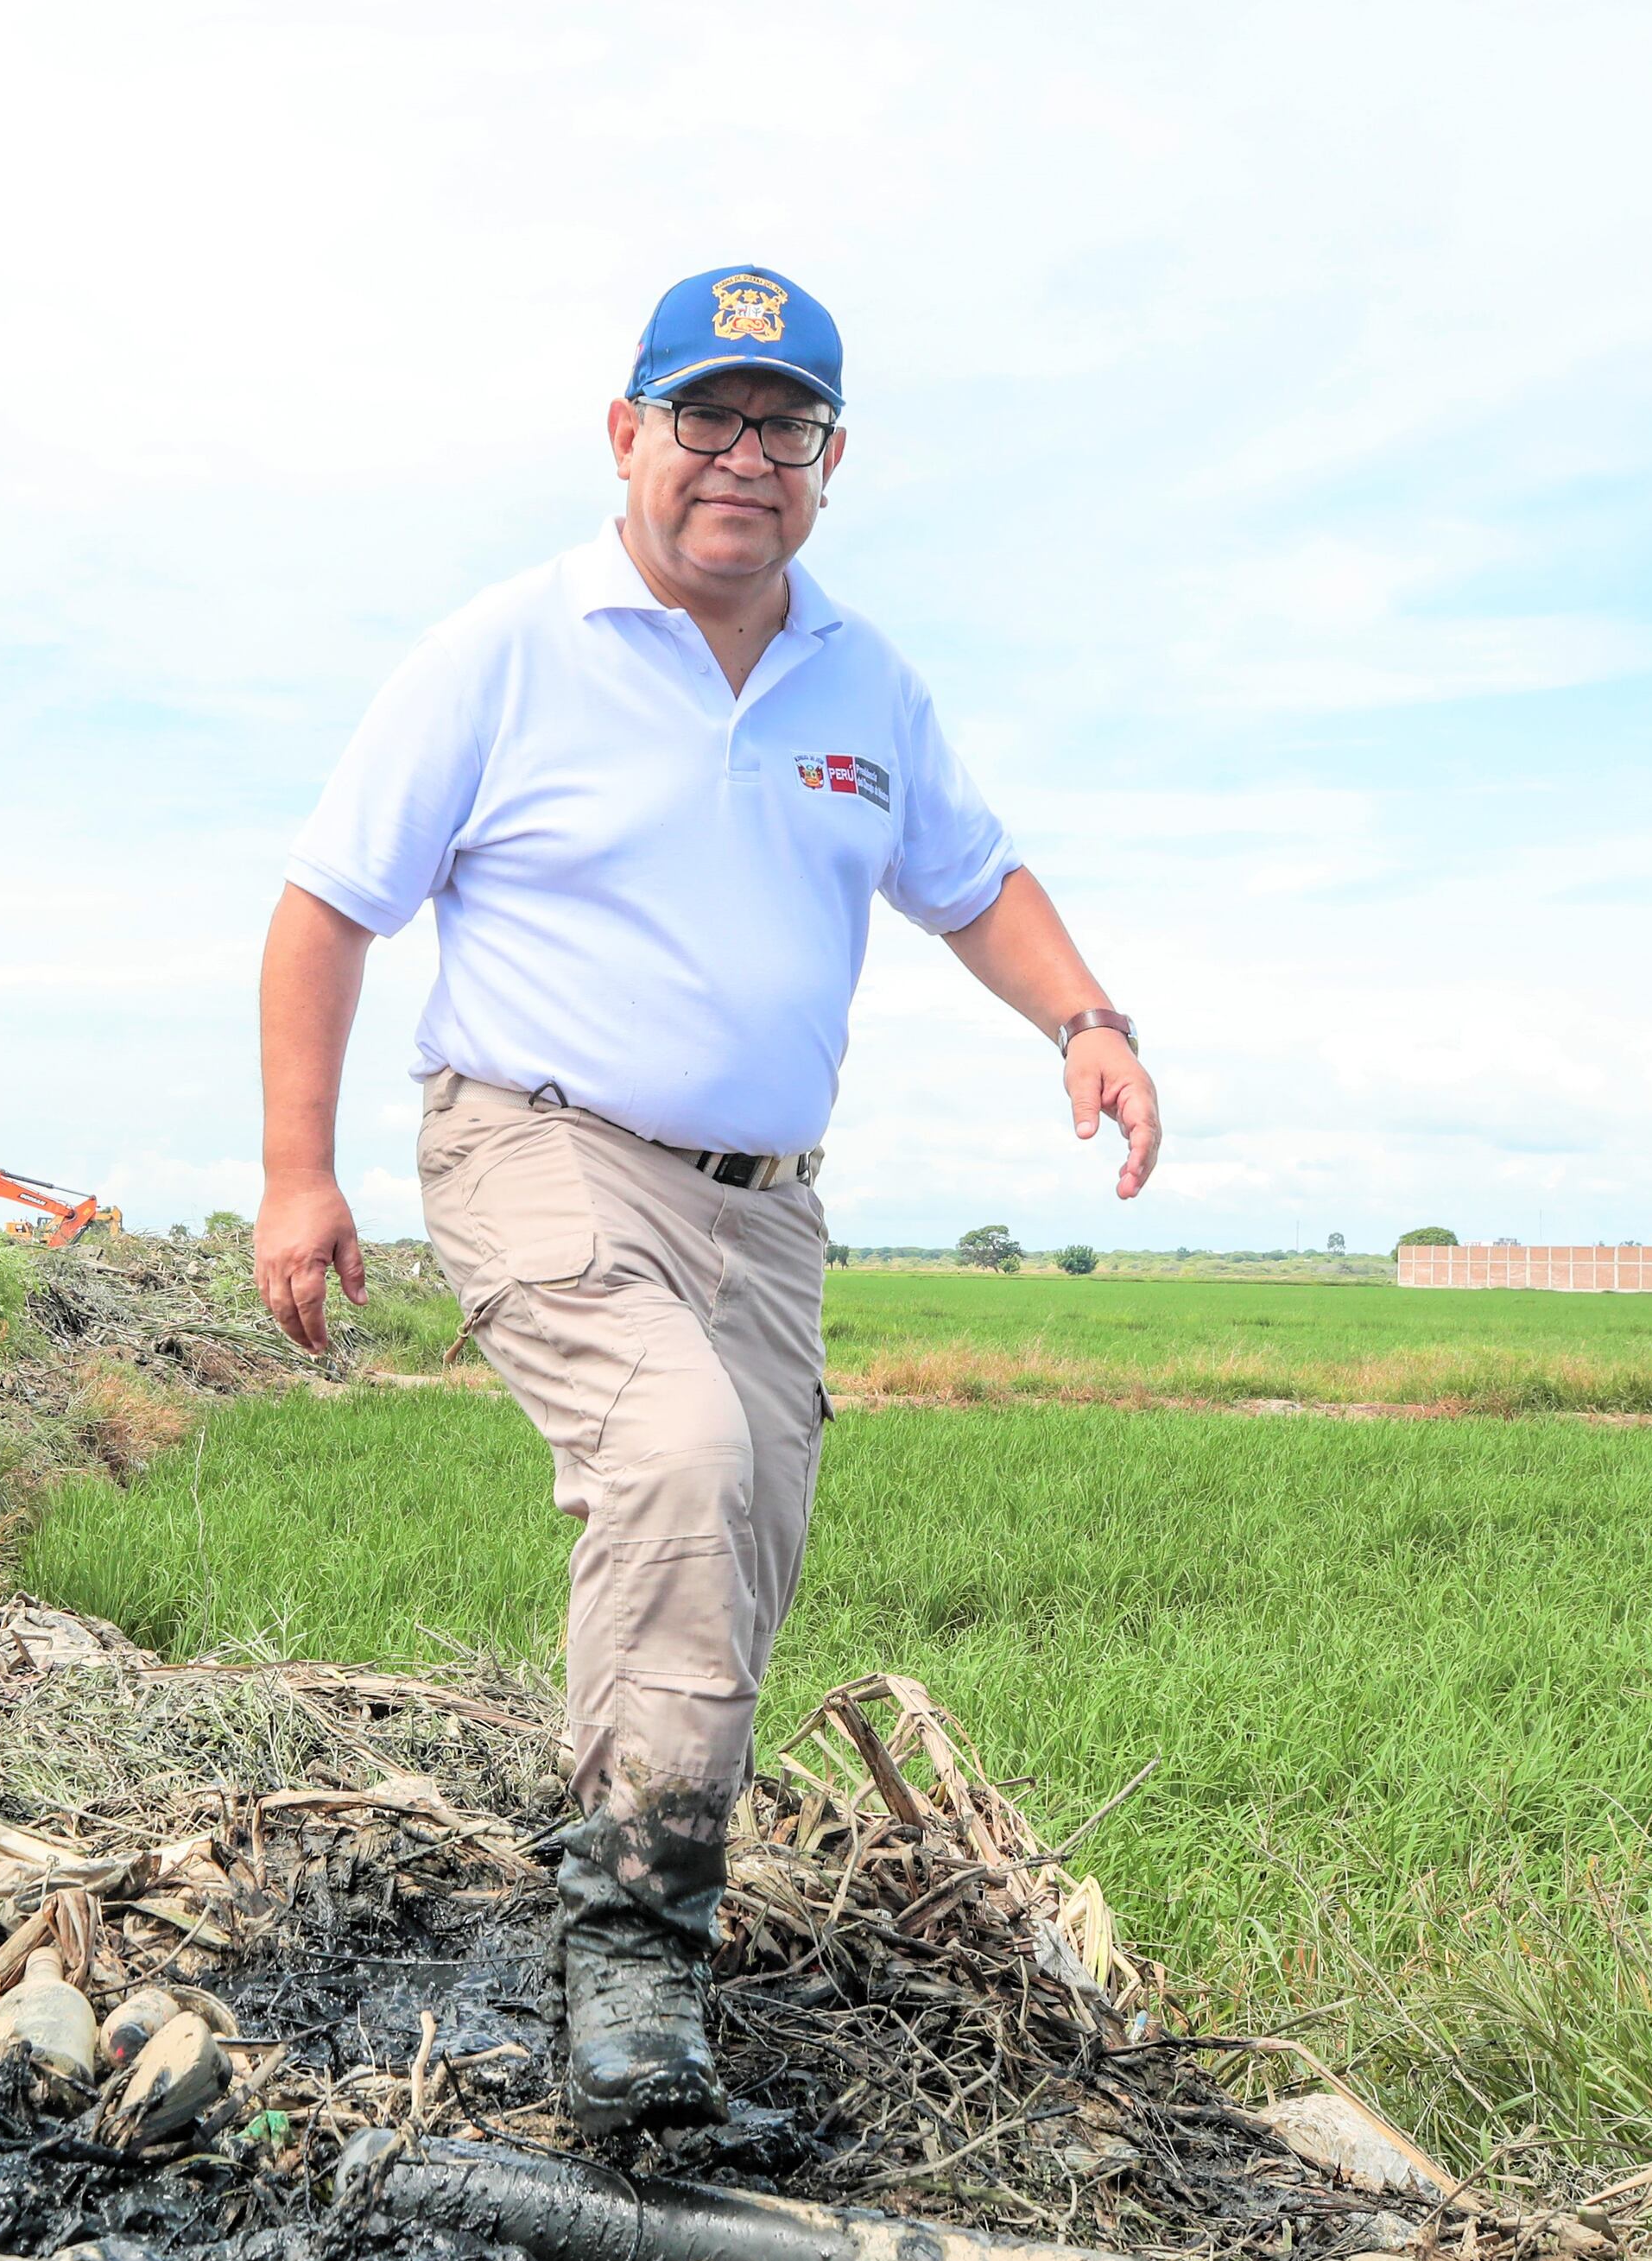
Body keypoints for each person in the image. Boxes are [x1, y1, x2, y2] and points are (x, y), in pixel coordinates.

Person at [253, 263, 1160, 2137]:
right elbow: (327, 904)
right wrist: (294, 1172)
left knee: (732, 1550)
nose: (742, 456)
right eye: (706, 416)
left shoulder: (864, 680)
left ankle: (631, 1897)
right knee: (674, 1457)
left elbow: (972, 876)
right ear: (626, 437)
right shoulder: (506, 649)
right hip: (537, 1139)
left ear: (830, 461)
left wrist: (1082, 1015)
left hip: (767, 1208)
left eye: (783, 425)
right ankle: (633, 2006)